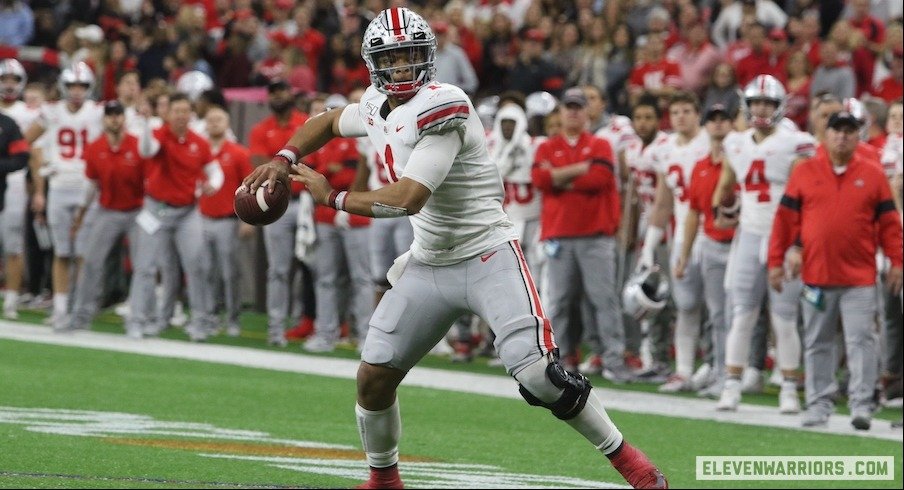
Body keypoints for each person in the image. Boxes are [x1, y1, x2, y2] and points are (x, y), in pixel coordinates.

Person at [243, 8, 667, 490]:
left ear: (428, 58)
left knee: (538, 376)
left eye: (410, 57)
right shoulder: (375, 103)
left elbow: (408, 197)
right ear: (374, 63)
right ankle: (384, 479)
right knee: (373, 377)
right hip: (430, 261)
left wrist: (333, 197)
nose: (402, 68)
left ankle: (630, 461)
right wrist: (284, 157)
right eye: (392, 58)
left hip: (487, 252)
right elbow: (328, 121)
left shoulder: (445, 104)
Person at [768, 108, 903, 429]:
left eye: (849, 130)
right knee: (817, 341)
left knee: (862, 341)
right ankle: (818, 405)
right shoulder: (804, 172)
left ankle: (861, 404)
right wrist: (775, 261)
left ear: (858, 135)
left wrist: (897, 260)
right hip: (816, 275)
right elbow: (784, 222)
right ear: (825, 135)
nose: (842, 136)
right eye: (836, 130)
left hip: (859, 277)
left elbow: (889, 224)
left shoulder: (873, 175)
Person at [712, 75, 817, 413]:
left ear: (779, 106)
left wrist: (798, 241)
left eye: (767, 103)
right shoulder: (736, 142)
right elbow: (727, 182)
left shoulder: (795, 141)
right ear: (746, 105)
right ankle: (731, 385)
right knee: (742, 314)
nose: (761, 109)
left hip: (782, 236)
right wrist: (719, 207)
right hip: (749, 231)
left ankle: (788, 387)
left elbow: (805, 194)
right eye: (756, 102)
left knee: (784, 317)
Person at [532, 87, 628, 381]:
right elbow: (539, 179)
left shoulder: (601, 144)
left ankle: (613, 360)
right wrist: (578, 170)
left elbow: (599, 178)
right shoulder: (546, 147)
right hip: (559, 234)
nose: (573, 112)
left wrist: (559, 177)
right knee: (560, 301)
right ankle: (560, 362)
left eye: (578, 107)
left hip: (595, 235)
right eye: (568, 107)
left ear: (588, 112)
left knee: (603, 299)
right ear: (560, 112)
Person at [130, 92, 224, 340]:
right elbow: (147, 150)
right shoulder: (160, 134)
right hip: (156, 209)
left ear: (191, 114)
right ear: (168, 113)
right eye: (177, 111)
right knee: (146, 266)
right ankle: (139, 320)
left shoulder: (198, 141)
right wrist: (146, 125)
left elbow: (214, 169)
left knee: (197, 264)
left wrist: (214, 182)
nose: (182, 116)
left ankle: (200, 323)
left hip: (186, 211)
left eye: (185, 111)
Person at [24, 62, 104, 331]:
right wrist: (42, 160)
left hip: (87, 187)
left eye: (82, 85)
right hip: (58, 186)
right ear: (64, 86)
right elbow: (27, 140)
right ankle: (60, 309)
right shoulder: (52, 112)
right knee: (61, 252)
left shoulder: (98, 112)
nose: (77, 91)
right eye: (72, 85)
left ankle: (79, 308)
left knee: (82, 253)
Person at [640, 91, 711, 393]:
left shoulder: (711, 141)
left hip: (715, 233)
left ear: (697, 114)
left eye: (687, 110)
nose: (681, 116)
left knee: (718, 307)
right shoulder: (665, 149)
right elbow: (662, 202)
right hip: (682, 234)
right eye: (676, 111)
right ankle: (683, 369)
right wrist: (648, 246)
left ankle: (717, 367)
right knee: (686, 305)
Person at [672, 104, 737, 397]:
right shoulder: (699, 166)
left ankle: (737, 373)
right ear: (707, 125)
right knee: (718, 314)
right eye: (714, 119)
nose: (719, 124)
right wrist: (685, 255)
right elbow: (693, 213)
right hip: (711, 243)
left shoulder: (742, 158)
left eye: (724, 119)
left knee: (739, 314)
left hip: (739, 243)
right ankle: (719, 371)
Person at [67, 101, 145, 332]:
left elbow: (150, 180)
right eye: (110, 115)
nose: (114, 119)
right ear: (104, 119)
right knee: (91, 261)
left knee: (143, 265)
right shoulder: (95, 147)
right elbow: (91, 184)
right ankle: (81, 315)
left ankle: (138, 319)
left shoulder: (137, 145)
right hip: (107, 209)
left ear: (124, 118)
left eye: (118, 115)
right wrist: (81, 213)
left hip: (137, 209)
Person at [247, 79, 311, 347]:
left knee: (311, 267)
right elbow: (262, 167)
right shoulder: (261, 129)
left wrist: (283, 169)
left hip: (307, 200)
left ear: (290, 93)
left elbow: (314, 161)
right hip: (277, 204)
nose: (277, 96)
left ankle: (305, 322)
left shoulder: (306, 123)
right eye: (272, 92)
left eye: (282, 91)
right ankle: (276, 327)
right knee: (279, 269)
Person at [198, 106, 254, 337]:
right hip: (201, 217)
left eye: (219, 119)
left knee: (229, 271)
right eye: (210, 119)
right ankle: (209, 315)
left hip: (227, 219)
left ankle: (232, 317)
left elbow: (249, 185)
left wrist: (247, 219)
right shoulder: (199, 151)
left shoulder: (239, 153)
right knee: (206, 270)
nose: (214, 123)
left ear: (227, 122)